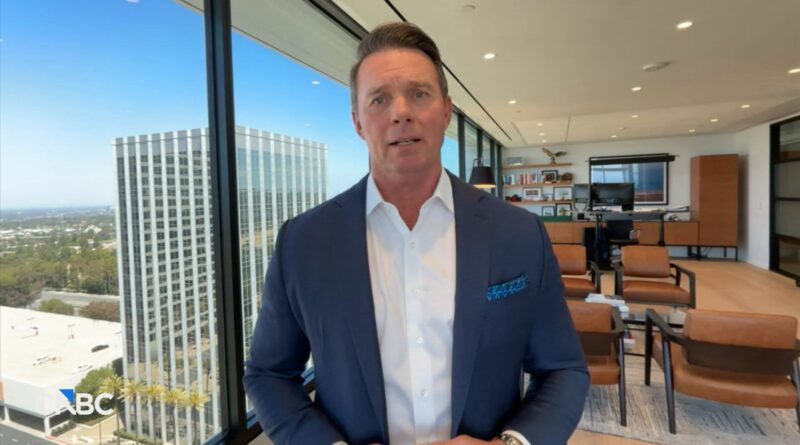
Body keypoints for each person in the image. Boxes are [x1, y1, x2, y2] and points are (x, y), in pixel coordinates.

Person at [243, 22, 589, 445]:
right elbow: (268, 374)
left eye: (419, 94)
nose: (400, 112)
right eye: (379, 99)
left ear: (445, 111)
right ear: (357, 122)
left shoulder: (518, 232)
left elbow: (562, 368)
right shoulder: (303, 242)